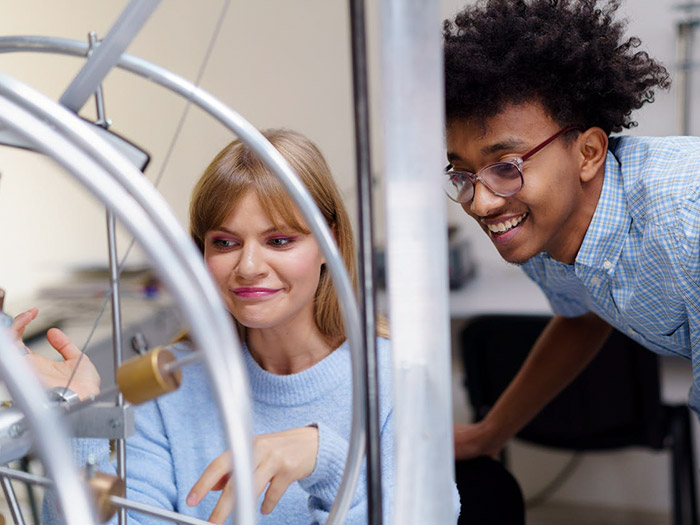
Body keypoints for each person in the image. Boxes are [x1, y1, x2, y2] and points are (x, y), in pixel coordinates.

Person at [14, 129, 396, 523]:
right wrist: (79, 418)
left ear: (329, 243)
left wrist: (327, 464)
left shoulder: (394, 379)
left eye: (279, 240)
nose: (248, 267)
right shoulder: (172, 382)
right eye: (226, 243)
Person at [442, 0, 699, 465]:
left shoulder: (686, 221)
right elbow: (582, 317)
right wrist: (489, 434)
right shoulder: (542, 233)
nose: (480, 203)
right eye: (463, 174)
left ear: (588, 153)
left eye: (506, 166)